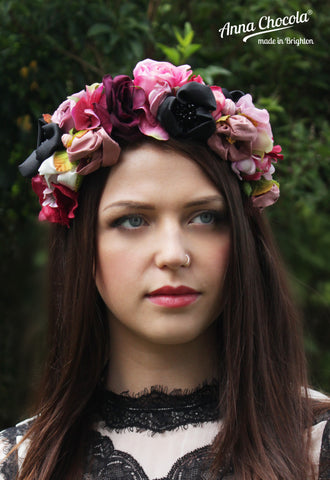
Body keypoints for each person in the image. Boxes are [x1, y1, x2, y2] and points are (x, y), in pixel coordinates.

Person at [0, 58, 329, 480]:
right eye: (133, 220)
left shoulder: (315, 447)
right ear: (84, 247)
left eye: (204, 217)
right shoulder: (20, 463)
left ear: (243, 237)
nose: (173, 254)